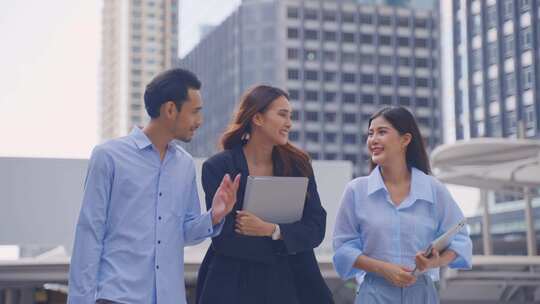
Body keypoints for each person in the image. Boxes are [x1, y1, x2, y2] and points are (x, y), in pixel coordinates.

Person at [67, 68, 240, 304]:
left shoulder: (185, 165)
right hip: (117, 297)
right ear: (170, 109)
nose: (199, 121)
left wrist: (214, 217)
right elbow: (89, 235)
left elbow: (185, 232)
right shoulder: (109, 157)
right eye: (195, 112)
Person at [195, 85, 334, 304]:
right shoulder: (219, 167)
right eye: (282, 115)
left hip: (291, 284)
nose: (289, 123)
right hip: (234, 285)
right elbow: (225, 239)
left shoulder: (299, 166)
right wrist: (287, 244)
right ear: (257, 118)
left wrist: (271, 230)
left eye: (290, 116)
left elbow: (316, 227)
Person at [332, 106, 472, 304]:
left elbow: (460, 240)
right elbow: (343, 249)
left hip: (422, 294)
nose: (373, 140)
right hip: (374, 294)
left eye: (382, 132)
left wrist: (435, 261)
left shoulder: (433, 189)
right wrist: (383, 269)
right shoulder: (356, 191)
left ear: (405, 140)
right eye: (370, 134)